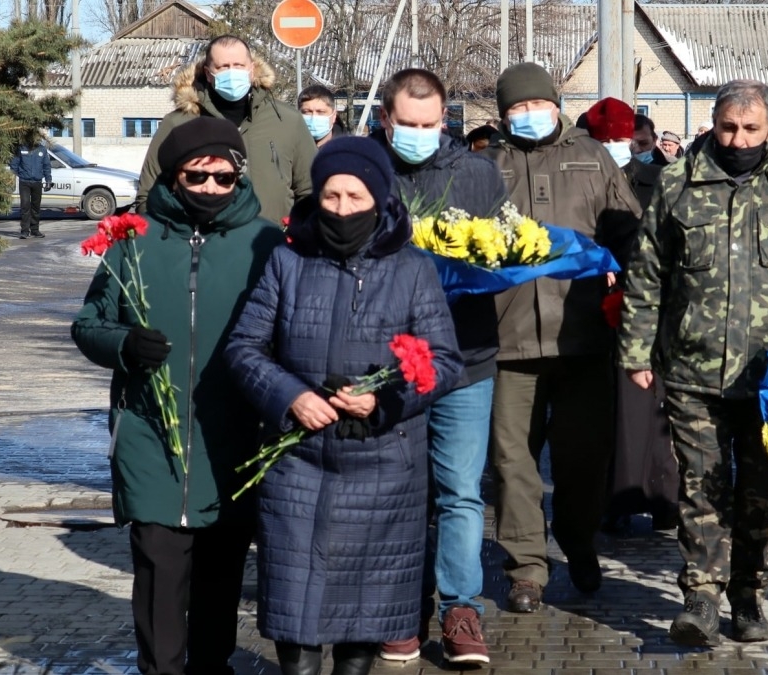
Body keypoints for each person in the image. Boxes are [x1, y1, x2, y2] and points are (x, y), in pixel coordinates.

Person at [619, 79, 768, 647]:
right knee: (701, 488)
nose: (739, 138)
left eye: (751, 128)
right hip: (692, 370)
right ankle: (701, 596)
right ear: (715, 123)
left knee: (760, 491)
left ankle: (749, 594)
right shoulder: (680, 182)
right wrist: (635, 351)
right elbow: (647, 273)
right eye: (729, 127)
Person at [225, 136, 463, 675]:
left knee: (361, 626)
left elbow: (444, 362)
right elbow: (243, 347)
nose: (341, 209)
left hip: (383, 469)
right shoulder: (288, 261)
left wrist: (384, 400)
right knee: (296, 617)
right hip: (298, 464)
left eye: (355, 198)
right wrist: (292, 397)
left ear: (379, 199)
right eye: (331, 197)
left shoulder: (412, 268)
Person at [71, 116, 286, 675]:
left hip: (231, 433)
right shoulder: (132, 239)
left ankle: (212, 664)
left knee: (220, 570)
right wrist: (123, 344)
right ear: (173, 177)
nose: (211, 189)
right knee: (160, 571)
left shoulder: (266, 241)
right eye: (197, 177)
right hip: (150, 432)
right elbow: (88, 323)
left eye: (223, 179)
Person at [483, 62, 642, 614]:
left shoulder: (592, 157)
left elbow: (629, 232)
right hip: (508, 343)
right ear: (503, 115)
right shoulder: (485, 165)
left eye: (536, 105)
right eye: (516, 109)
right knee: (512, 463)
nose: (528, 116)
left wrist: (629, 293)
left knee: (584, 458)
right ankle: (526, 567)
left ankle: (578, 543)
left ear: (556, 104)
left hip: (584, 337)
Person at [367, 67, 507, 665]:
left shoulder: (478, 175)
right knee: (394, 491)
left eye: (431, 124)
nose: (421, 134)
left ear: (445, 119)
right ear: (385, 120)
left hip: (465, 357)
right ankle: (399, 610)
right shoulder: (360, 169)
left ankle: (460, 611)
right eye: (408, 124)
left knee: (459, 490)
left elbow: (508, 249)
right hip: (381, 360)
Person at [584, 96, 678, 535]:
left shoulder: (660, 180)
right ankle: (612, 497)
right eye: (612, 140)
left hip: (642, 303)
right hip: (590, 303)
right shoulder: (584, 179)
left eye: (629, 140)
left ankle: (661, 497)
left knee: (648, 406)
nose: (622, 147)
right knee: (606, 411)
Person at [136, 34, 316, 224]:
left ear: (252, 69)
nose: (232, 73)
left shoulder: (287, 120)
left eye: (239, 65)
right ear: (207, 73)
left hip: (273, 245)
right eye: (223, 67)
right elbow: (148, 196)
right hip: (199, 247)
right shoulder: (178, 124)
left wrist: (297, 238)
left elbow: (311, 191)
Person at [10, 140, 52, 239]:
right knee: (25, 206)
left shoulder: (42, 149)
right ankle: (24, 231)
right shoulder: (21, 148)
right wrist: (12, 179)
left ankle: (35, 230)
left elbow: (47, 166)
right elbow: (14, 165)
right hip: (24, 182)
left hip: (37, 182)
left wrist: (48, 180)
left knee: (36, 207)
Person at [298, 84, 347, 148]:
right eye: (307, 112)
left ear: (334, 116)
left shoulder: (348, 152)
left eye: (321, 112)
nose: (313, 118)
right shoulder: (287, 149)